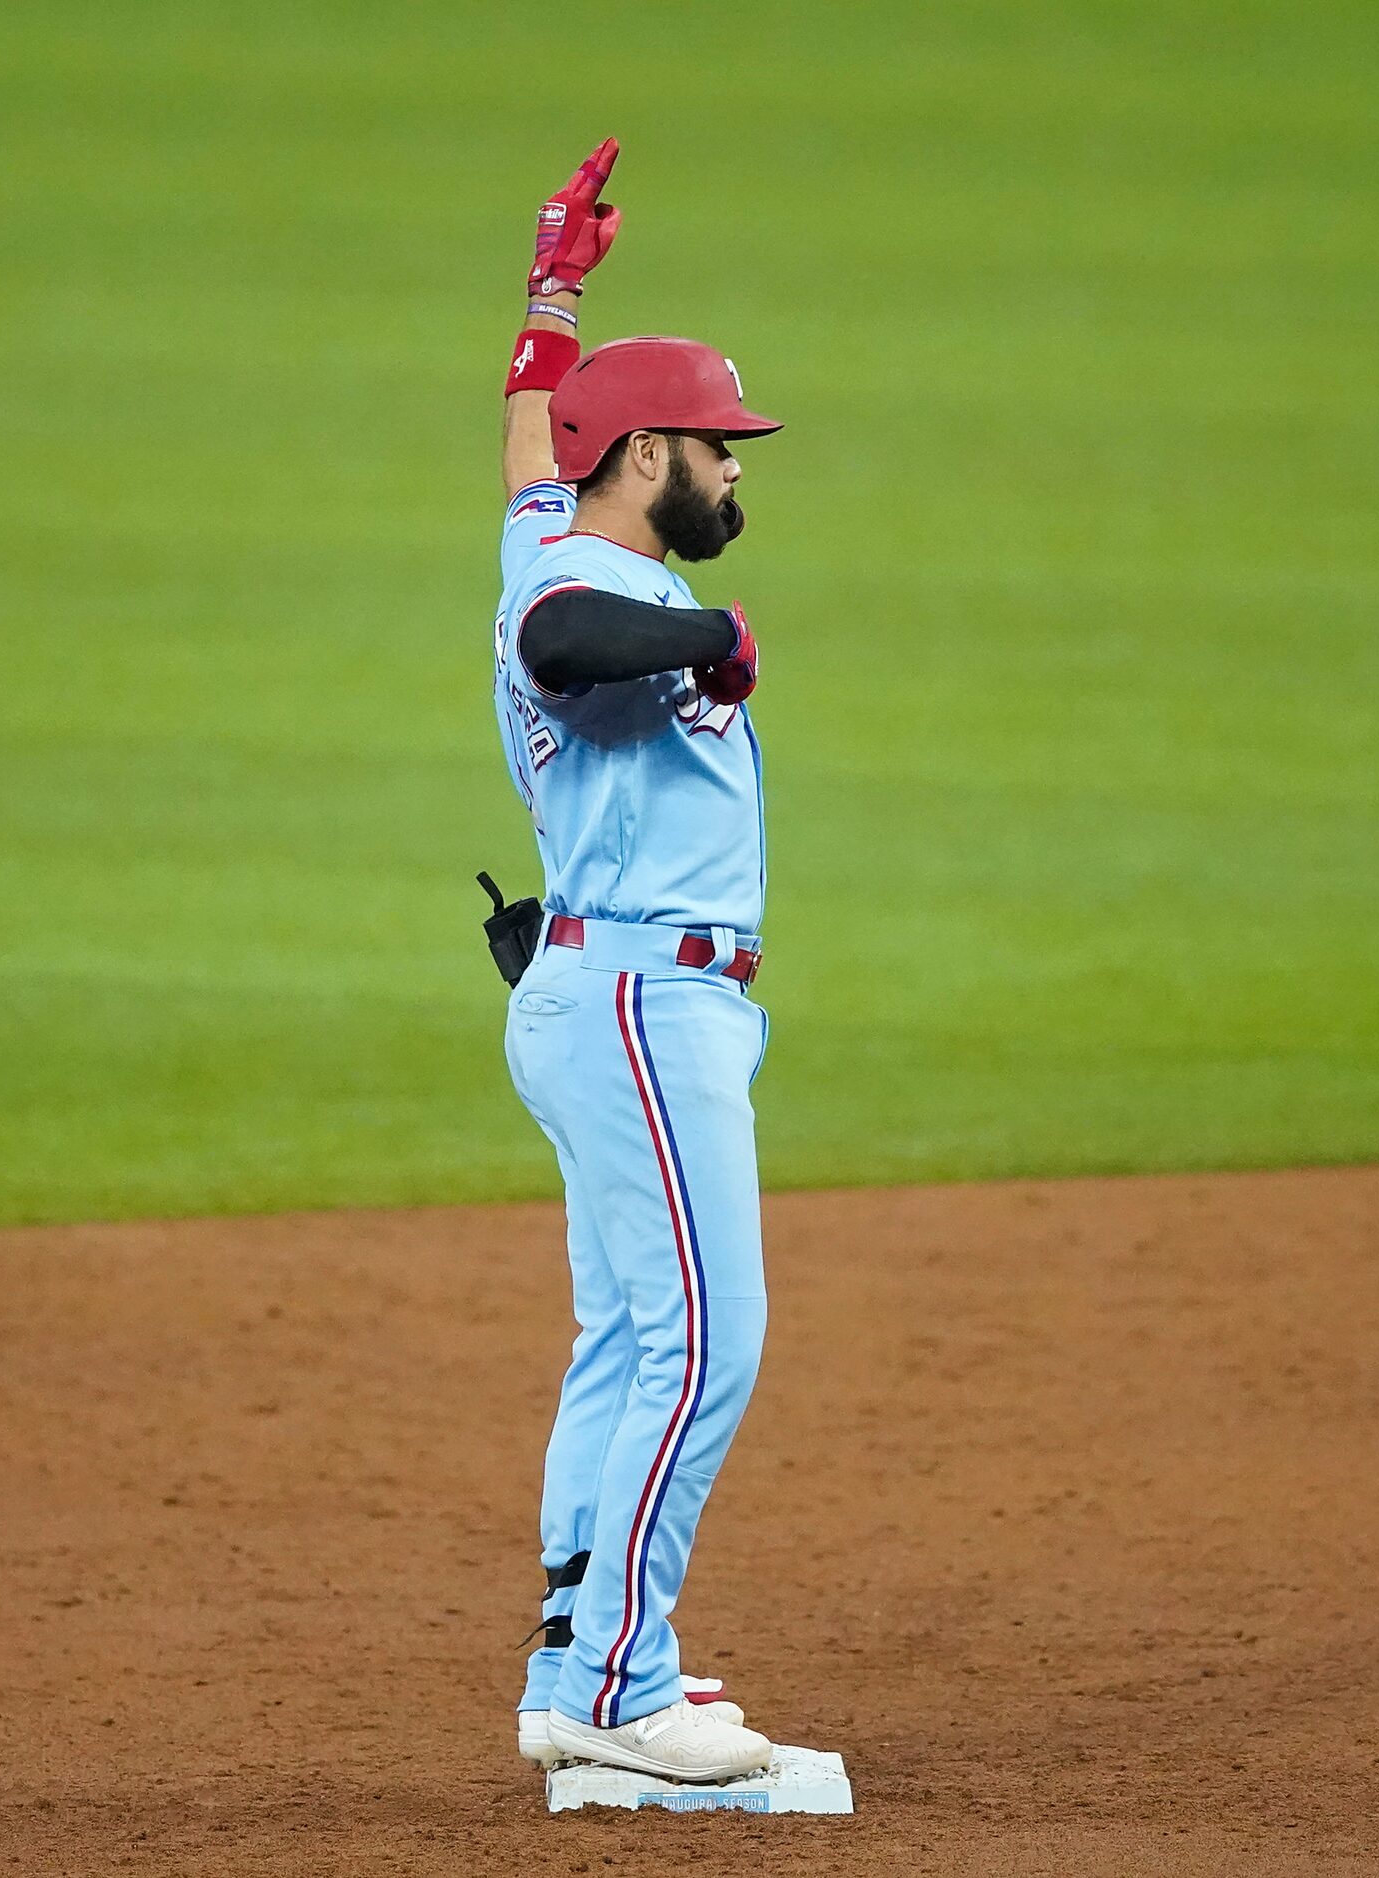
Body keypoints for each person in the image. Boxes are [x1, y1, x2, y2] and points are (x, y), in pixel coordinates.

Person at [489, 140, 785, 1784]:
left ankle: (575, 1658)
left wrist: (553, 298)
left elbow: (536, 452)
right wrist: (708, 636)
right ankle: (621, 1682)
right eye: (721, 450)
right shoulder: (591, 583)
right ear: (650, 452)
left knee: (625, 1337)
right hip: (637, 997)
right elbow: (562, 646)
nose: (738, 475)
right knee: (703, 1337)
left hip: (622, 990)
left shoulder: (562, 526)